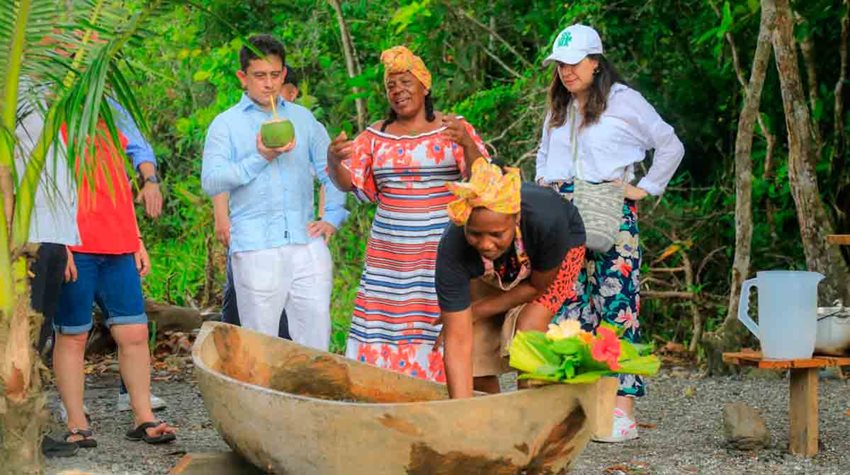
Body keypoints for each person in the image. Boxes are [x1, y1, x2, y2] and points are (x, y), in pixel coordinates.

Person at [535, 24, 685, 442]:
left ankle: (622, 409)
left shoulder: (624, 101)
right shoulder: (559, 106)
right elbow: (545, 157)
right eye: (560, 65)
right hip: (562, 209)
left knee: (616, 305)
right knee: (567, 305)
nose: (566, 72)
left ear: (596, 62)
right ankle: (577, 407)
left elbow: (670, 144)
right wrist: (545, 191)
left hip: (608, 206)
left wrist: (645, 188)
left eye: (574, 63)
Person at [327, 45, 489, 382]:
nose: (398, 91)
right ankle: (386, 392)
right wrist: (333, 160)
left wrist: (469, 145)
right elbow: (349, 183)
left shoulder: (452, 128)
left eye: (405, 82)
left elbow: (485, 181)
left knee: (439, 317)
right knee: (388, 322)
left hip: (441, 250)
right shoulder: (374, 136)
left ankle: (447, 394)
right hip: (390, 256)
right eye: (391, 86)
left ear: (425, 85)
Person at [202, 34, 347, 349]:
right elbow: (211, 181)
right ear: (243, 77)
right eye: (259, 76)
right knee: (262, 344)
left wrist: (332, 216)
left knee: (316, 338)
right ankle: (264, 398)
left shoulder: (303, 119)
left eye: (274, 75)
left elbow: (330, 170)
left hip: (305, 241)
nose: (268, 84)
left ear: (283, 75)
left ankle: (311, 397)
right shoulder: (226, 125)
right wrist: (261, 157)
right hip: (256, 245)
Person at [53, 107, 177, 447]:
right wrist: (58, 242)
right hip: (76, 244)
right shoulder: (54, 119)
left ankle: (143, 416)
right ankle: (77, 422)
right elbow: (46, 189)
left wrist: (136, 240)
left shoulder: (111, 115)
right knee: (73, 336)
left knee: (134, 332)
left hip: (119, 242)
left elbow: (121, 181)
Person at [435, 159, 586, 398]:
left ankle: (528, 418)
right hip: (498, 266)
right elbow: (457, 342)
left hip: (551, 259)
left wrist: (474, 312)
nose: (485, 244)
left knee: (528, 331)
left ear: (515, 220)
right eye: (475, 234)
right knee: (474, 341)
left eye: (496, 234)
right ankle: (484, 416)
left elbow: (536, 287)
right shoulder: (453, 248)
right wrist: (459, 414)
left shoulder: (547, 222)